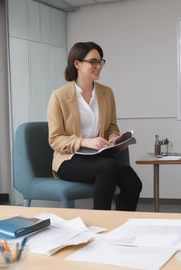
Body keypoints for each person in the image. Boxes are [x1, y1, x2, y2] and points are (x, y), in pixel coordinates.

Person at [47, 41, 142, 211]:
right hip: (69, 160)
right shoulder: (59, 96)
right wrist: (85, 141)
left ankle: (121, 225)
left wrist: (114, 137)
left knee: (133, 182)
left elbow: (112, 126)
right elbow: (55, 140)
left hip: (99, 157)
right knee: (108, 167)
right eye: (93, 62)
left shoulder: (106, 93)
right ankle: (101, 222)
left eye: (100, 62)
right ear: (77, 64)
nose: (98, 66)